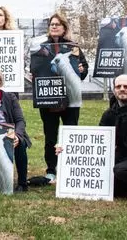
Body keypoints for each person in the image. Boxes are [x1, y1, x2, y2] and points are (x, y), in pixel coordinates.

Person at [38, 12, 88, 184]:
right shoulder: (41, 47)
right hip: (49, 100)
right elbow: (35, 68)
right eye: (52, 24)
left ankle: (69, 168)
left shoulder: (74, 47)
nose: (54, 26)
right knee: (50, 136)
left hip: (71, 100)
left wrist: (81, 70)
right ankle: (51, 170)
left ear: (64, 28)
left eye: (58, 24)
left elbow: (84, 70)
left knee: (70, 133)